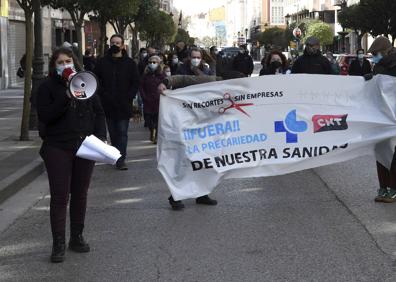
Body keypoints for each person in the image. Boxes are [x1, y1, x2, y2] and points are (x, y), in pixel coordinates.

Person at [36, 47, 106, 263]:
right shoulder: (46, 87)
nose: (65, 65)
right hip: (57, 146)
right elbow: (46, 116)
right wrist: (66, 97)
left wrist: (100, 138)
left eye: (68, 61)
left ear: (75, 63)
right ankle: (58, 243)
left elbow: (99, 112)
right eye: (60, 62)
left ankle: (77, 237)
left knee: (80, 193)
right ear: (53, 66)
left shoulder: (85, 82)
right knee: (59, 196)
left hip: (84, 145)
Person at [94, 34, 140, 170]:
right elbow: (96, 80)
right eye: (113, 42)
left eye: (118, 43)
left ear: (122, 45)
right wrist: (103, 94)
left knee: (122, 132)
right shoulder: (102, 62)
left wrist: (129, 96)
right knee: (113, 133)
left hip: (123, 104)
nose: (115, 45)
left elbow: (136, 81)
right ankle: (115, 154)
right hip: (107, 104)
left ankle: (121, 159)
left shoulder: (130, 63)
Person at [365, 36, 396, 203]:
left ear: (384, 51)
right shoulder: (379, 66)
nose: (373, 56)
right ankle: (383, 187)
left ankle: (394, 189)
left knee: (394, 154)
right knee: (381, 152)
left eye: (375, 53)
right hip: (380, 115)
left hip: (393, 115)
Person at [140, 56, 165, 144]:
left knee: (157, 119)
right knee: (148, 119)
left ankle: (157, 135)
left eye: (154, 62)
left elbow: (166, 85)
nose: (152, 64)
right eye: (150, 62)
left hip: (158, 101)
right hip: (148, 100)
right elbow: (141, 86)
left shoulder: (162, 75)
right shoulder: (145, 75)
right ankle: (152, 131)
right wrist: (144, 97)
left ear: (158, 63)